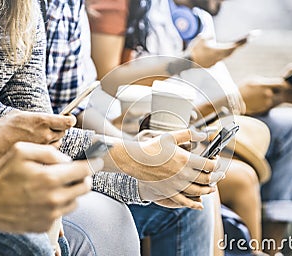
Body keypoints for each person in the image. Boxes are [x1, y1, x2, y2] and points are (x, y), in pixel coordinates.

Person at [0, 0, 222, 255]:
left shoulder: (26, 9)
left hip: (31, 163)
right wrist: (129, 156)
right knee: (98, 222)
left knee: (181, 201)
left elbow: (41, 129)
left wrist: (140, 180)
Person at [87, 0, 292, 255]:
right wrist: (206, 81)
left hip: (198, 122)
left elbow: (215, 94)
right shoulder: (126, 9)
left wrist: (268, 96)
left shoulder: (200, 21)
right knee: (232, 179)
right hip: (153, 127)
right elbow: (108, 88)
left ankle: (271, 249)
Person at [44, 1, 229, 255]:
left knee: (192, 192)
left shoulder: (68, 5)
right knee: (109, 220)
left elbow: (79, 107)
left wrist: (134, 147)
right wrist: (129, 155)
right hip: (49, 163)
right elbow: (35, 130)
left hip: (78, 147)